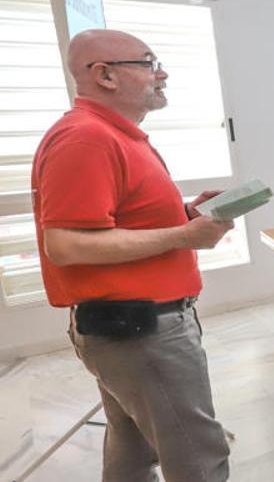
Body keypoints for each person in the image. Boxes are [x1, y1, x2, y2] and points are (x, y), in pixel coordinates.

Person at [33, 29, 234, 481]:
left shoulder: (117, 136)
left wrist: (185, 216)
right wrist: (184, 237)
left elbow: (118, 220)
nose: (161, 74)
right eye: (148, 62)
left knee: (133, 450)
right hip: (140, 335)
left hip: (130, 330)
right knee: (198, 455)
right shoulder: (86, 138)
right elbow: (66, 244)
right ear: (104, 75)